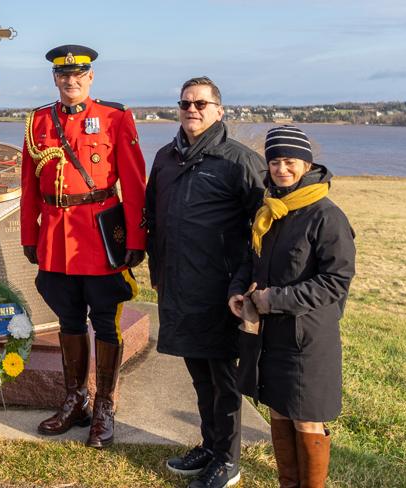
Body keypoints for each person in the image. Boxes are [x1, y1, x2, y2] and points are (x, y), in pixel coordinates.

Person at [21, 45, 147, 449]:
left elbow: (134, 182)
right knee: (69, 320)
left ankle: (105, 406)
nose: (70, 81)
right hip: (56, 240)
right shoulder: (39, 120)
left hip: (98, 238)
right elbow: (28, 186)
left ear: (90, 78)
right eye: (63, 75)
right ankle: (75, 400)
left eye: (78, 75)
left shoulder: (114, 117)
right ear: (55, 79)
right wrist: (29, 235)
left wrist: (136, 238)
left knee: (106, 322)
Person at [145, 77, 265, 488]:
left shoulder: (239, 161)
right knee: (198, 373)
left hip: (221, 291)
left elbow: (262, 229)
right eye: (184, 103)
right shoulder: (164, 157)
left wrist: (246, 283)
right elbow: (153, 218)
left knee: (222, 378)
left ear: (219, 110)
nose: (191, 109)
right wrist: (156, 271)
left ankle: (228, 461)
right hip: (177, 286)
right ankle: (211, 446)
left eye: (200, 103)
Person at [229, 126, 355, 488]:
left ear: (306, 163)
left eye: (289, 161)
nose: (281, 169)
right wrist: (238, 291)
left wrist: (272, 300)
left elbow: (336, 281)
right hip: (271, 336)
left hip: (308, 339)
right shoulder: (269, 211)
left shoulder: (326, 216)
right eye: (274, 162)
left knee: (307, 420)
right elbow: (250, 261)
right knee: (280, 411)